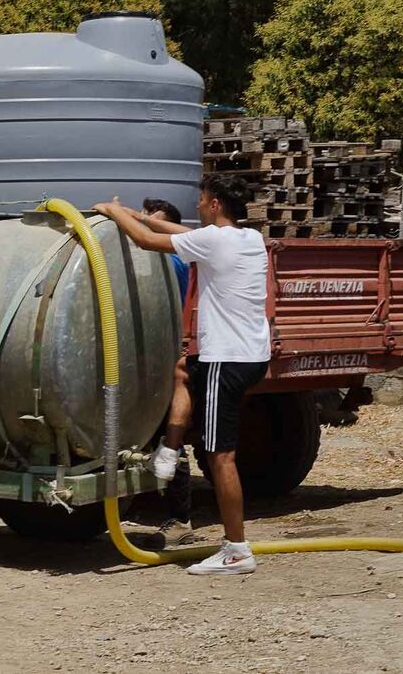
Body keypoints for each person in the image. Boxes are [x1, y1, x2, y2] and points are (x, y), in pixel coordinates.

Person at [94, 174, 271, 575]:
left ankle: (236, 551)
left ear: (215, 205)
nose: (198, 205)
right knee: (183, 371)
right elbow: (180, 233)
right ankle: (168, 453)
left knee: (221, 456)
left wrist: (114, 212)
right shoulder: (249, 238)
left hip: (227, 359)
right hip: (251, 355)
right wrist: (138, 214)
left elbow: (146, 242)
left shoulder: (213, 241)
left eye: (203, 200)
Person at [122, 198, 195, 549]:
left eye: (154, 221)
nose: (146, 223)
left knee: (168, 434)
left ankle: (181, 520)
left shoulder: (172, 259)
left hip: (166, 355)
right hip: (148, 354)